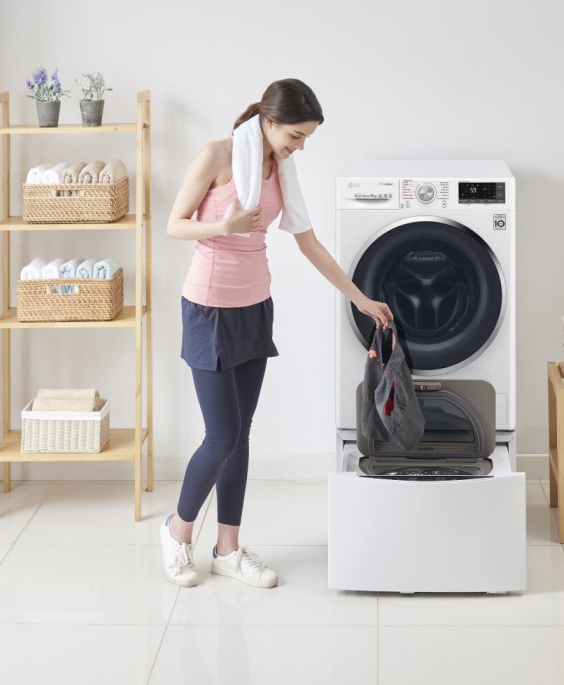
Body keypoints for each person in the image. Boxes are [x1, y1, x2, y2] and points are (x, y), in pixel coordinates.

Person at [163, 78, 393, 588]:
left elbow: (308, 245)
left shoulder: (278, 170)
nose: (300, 147)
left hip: (254, 306)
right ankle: (178, 532)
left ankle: (227, 548)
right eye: (296, 135)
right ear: (268, 122)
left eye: (306, 138)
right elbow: (174, 225)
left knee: (240, 435)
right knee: (220, 435)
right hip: (209, 306)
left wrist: (360, 298)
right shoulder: (217, 155)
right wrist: (224, 226)